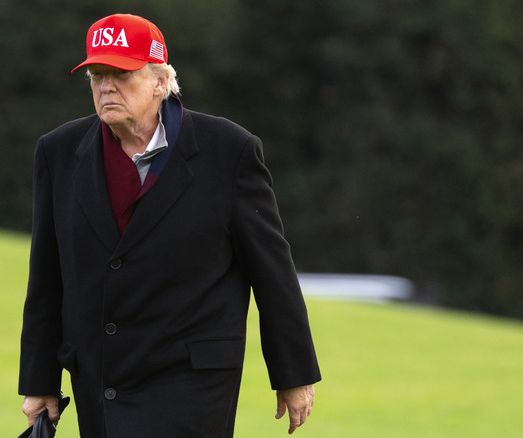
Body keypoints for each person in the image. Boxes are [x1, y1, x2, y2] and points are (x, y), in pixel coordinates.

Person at [19, 13, 321, 438]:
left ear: (161, 81)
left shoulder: (229, 151)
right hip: (101, 381)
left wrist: (292, 372)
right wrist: (39, 380)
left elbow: (272, 271)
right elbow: (47, 276)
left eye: (121, 74)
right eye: (97, 74)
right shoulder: (59, 152)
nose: (106, 86)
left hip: (192, 384)